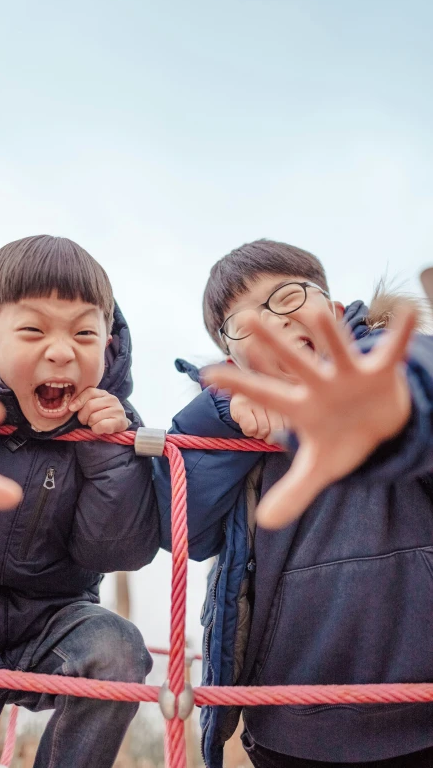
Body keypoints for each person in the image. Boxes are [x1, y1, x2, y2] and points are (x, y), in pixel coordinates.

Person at [154, 238, 433, 767]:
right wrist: (219, 413)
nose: (272, 320)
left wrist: (390, 404)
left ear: (331, 309)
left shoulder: (395, 364)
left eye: (285, 297)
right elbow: (180, 529)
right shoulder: (234, 429)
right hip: (292, 724)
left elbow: (418, 371)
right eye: (243, 321)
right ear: (230, 354)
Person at [0, 234, 159, 768]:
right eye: (33, 329)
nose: (62, 350)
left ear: (109, 344)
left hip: (43, 624)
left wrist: (107, 453)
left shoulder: (112, 428)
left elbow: (116, 554)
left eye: (85, 333)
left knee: (116, 650)